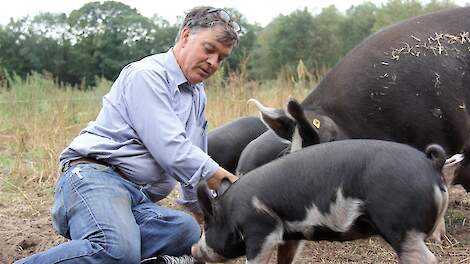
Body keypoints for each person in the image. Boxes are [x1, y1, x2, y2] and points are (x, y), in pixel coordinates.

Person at [15, 6, 240, 264]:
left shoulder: (196, 94)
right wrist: (233, 186)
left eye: (221, 58)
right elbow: (174, 152)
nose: (213, 62)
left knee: (185, 233)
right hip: (94, 178)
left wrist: (205, 220)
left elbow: (194, 157)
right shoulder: (148, 75)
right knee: (115, 250)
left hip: (136, 198)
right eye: (209, 49)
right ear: (186, 36)